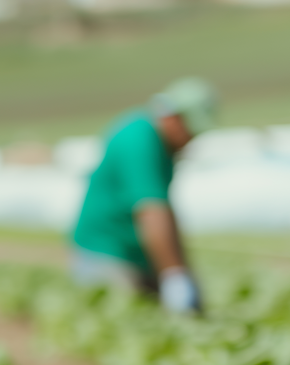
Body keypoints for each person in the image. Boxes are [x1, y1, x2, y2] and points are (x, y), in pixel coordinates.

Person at [70, 77, 217, 314]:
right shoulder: (140, 138)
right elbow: (153, 211)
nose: (191, 140)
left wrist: (182, 271)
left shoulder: (160, 145)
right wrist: (175, 276)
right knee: (122, 319)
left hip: (136, 252)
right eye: (189, 131)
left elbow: (165, 211)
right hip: (108, 251)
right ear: (173, 118)